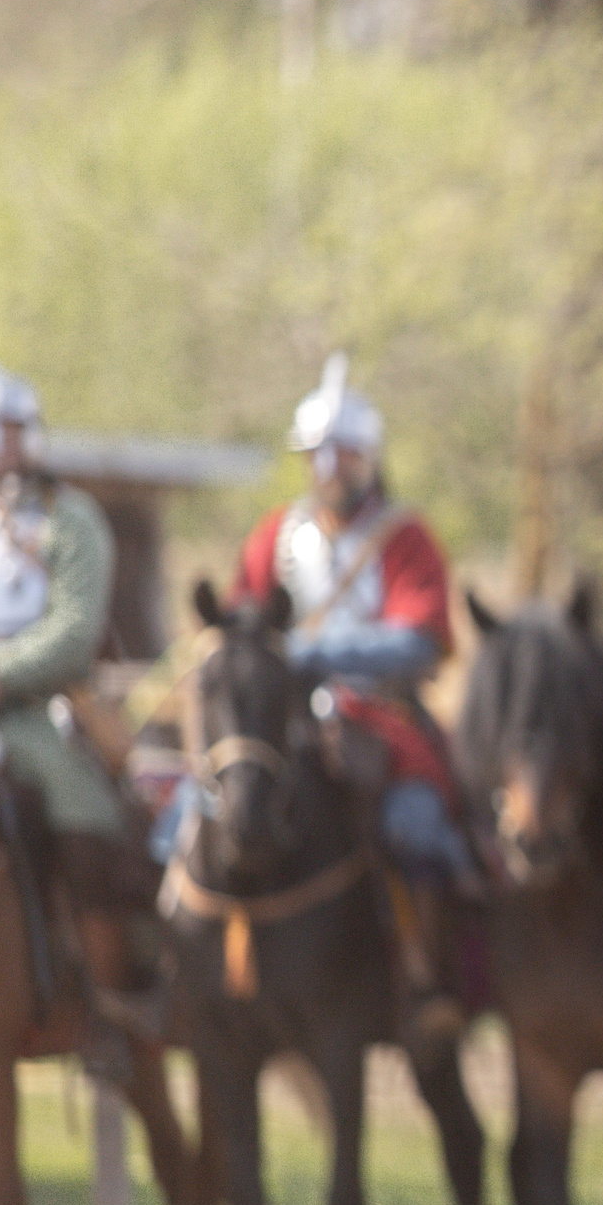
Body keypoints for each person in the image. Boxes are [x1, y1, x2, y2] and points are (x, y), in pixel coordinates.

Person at [227, 354, 473, 1031]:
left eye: (345, 455)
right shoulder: (277, 533)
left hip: (379, 717)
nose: (331, 469)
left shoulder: (403, 533)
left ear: (368, 458)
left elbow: (421, 638)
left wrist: (313, 652)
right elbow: (239, 618)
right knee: (200, 813)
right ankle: (198, 981)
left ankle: (426, 977)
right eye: (320, 456)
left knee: (414, 827)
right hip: (281, 721)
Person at [0, 367, 156, 1058]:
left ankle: (107, 999)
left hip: (40, 708)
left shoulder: (71, 519)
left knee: (80, 808)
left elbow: (72, 632)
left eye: (6, 431)